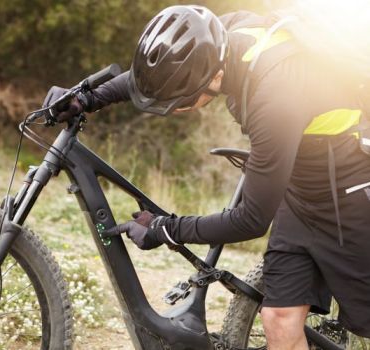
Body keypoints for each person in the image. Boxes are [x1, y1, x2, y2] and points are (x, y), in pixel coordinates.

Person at [43, 5, 370, 349]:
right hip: (302, 188)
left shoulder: (275, 100)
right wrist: (88, 97)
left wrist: (166, 228)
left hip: (352, 190)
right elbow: (161, 77)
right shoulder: (219, 39)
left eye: (180, 101)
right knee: (279, 318)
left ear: (213, 77)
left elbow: (251, 221)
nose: (175, 108)